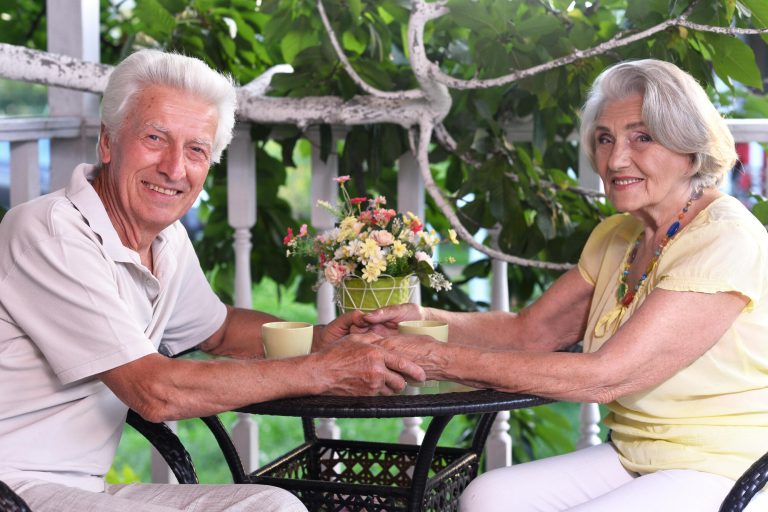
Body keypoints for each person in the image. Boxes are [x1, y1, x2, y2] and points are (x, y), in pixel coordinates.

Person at [0, 49, 424, 512]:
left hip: (82, 489)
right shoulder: (49, 230)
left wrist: (322, 341)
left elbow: (219, 330)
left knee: (275, 506)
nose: (174, 167)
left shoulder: (166, 240)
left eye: (196, 149)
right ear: (108, 142)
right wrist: (323, 372)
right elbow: (154, 391)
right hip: (13, 484)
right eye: (155, 138)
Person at [363, 59, 768, 511]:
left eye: (642, 137)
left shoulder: (723, 237)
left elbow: (605, 377)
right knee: (488, 498)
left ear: (690, 148)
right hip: (633, 455)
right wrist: (421, 320)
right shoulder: (619, 236)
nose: (615, 159)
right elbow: (528, 332)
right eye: (604, 138)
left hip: (722, 466)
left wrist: (435, 359)